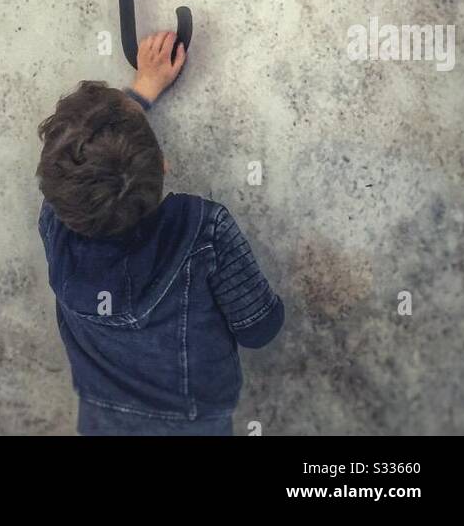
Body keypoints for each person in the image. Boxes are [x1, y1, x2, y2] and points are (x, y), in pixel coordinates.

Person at [36, 30, 284, 436]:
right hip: (194, 421)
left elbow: (67, 171)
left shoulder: (55, 222)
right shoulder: (206, 229)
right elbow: (260, 329)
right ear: (164, 165)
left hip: (101, 417)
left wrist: (141, 89)